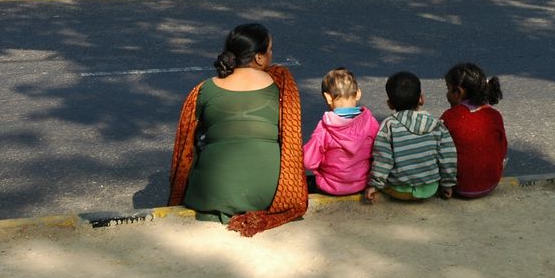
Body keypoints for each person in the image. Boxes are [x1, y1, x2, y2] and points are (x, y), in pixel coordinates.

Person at [168, 23, 307, 236]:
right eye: (269, 50)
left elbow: (187, 149)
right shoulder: (281, 84)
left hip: (209, 195)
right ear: (259, 58)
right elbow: (290, 142)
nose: (271, 56)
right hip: (268, 194)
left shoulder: (203, 89)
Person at [365, 71, 457, 202]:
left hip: (399, 191)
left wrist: (374, 185)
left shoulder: (389, 126)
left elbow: (383, 160)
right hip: (430, 188)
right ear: (421, 99)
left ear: (390, 104)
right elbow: (447, 156)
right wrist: (447, 184)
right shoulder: (437, 124)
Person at [303, 68, 379, 196]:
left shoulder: (325, 127)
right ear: (358, 93)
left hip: (329, 186)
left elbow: (309, 161)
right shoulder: (370, 123)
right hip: (362, 184)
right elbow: (380, 151)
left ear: (328, 98)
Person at [441, 62, 508, 199]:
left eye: (448, 89)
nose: (447, 94)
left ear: (458, 92)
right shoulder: (494, 115)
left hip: (460, 187)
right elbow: (502, 147)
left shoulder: (449, 117)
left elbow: (440, 152)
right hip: (491, 183)